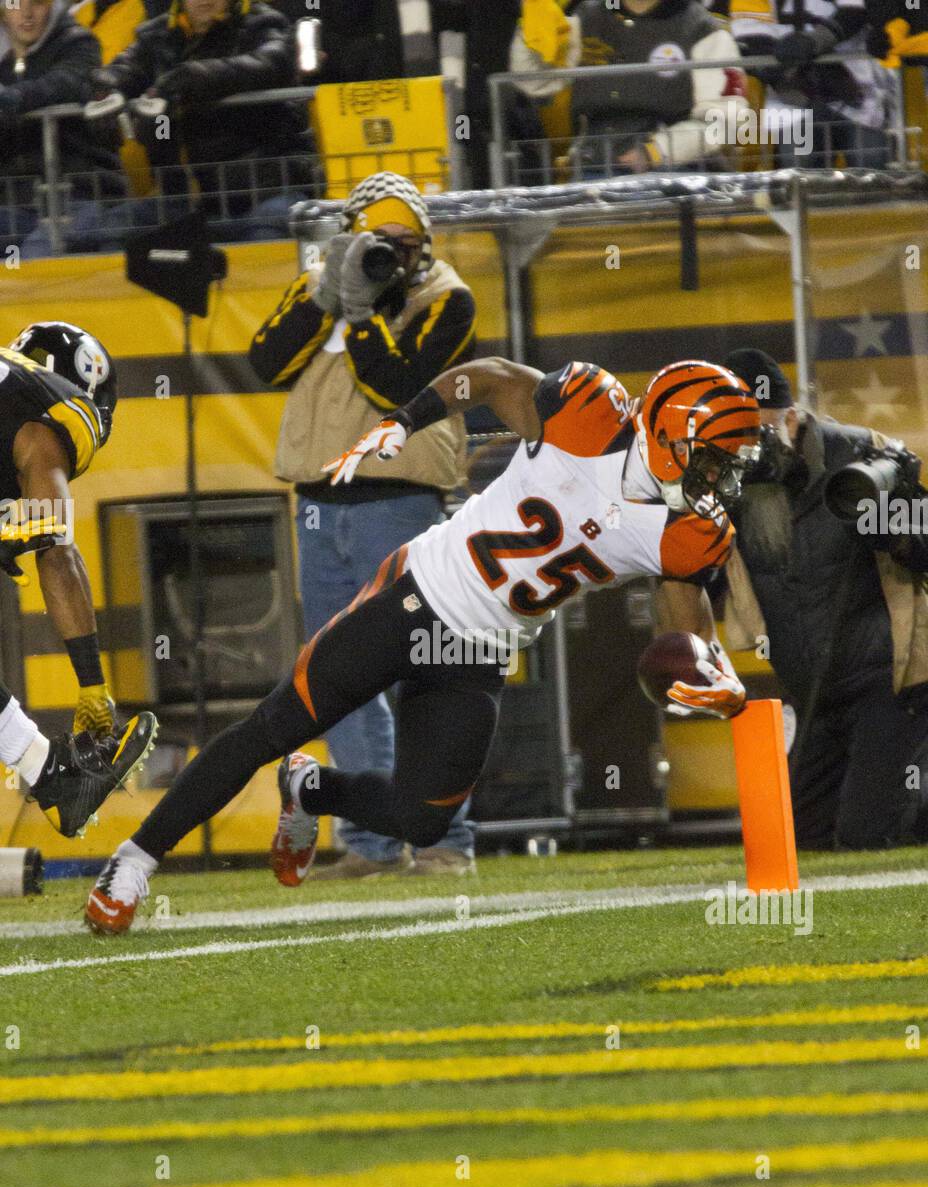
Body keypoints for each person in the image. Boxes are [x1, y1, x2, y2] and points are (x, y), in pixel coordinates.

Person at [84, 356, 760, 933]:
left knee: (424, 821)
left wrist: (707, 673)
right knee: (274, 724)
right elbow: (491, 379)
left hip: (480, 652)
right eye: (715, 460)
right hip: (415, 595)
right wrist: (407, 421)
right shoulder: (584, 409)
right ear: (674, 435)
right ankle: (136, 860)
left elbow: (686, 633)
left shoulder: (686, 530)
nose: (720, 481)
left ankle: (310, 789)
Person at [248, 171, 478, 879]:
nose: (394, 255)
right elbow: (264, 361)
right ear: (350, 236)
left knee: (426, 671)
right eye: (378, 241)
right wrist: (327, 298)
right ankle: (373, 842)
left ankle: (443, 840)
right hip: (319, 502)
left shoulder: (448, 297)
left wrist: (366, 309)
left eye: (406, 243)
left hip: (398, 498)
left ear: (426, 243)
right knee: (338, 678)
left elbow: (398, 388)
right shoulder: (321, 279)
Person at [721, 347, 928, 849]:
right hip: (814, 695)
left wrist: (894, 531)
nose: (750, 450)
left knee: (867, 835)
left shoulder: (864, 456)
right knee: (796, 845)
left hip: (891, 686)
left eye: (759, 433)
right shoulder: (728, 486)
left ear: (792, 419)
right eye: (735, 439)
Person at [0, 322, 158, 835]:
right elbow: (56, 543)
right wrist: (92, 684)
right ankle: (52, 779)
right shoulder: (55, 413)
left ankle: (49, 776)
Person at [84, 0, 304, 234]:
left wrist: (198, 76)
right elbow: (120, 70)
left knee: (266, 230)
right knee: (107, 231)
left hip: (263, 193)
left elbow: (275, 62)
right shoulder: (155, 35)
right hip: (181, 198)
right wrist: (104, 90)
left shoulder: (263, 22)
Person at [511, 0, 748, 174]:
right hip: (593, 167)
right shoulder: (587, 16)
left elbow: (726, 120)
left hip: (678, 173)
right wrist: (532, 28)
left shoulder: (702, 28)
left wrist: (656, 152)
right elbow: (534, 81)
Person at [0, 0, 118, 256]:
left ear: (53, 7)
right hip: (16, 201)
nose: (27, 14)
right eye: (15, 4)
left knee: (37, 260)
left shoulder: (79, 44)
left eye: (38, 3)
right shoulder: (4, 65)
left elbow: (64, 83)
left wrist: (11, 99)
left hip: (83, 195)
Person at [732, 0, 894, 167]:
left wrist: (813, 43)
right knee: (799, 178)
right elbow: (752, 40)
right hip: (792, 102)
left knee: (872, 173)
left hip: (860, 96)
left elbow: (855, 12)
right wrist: (804, 82)